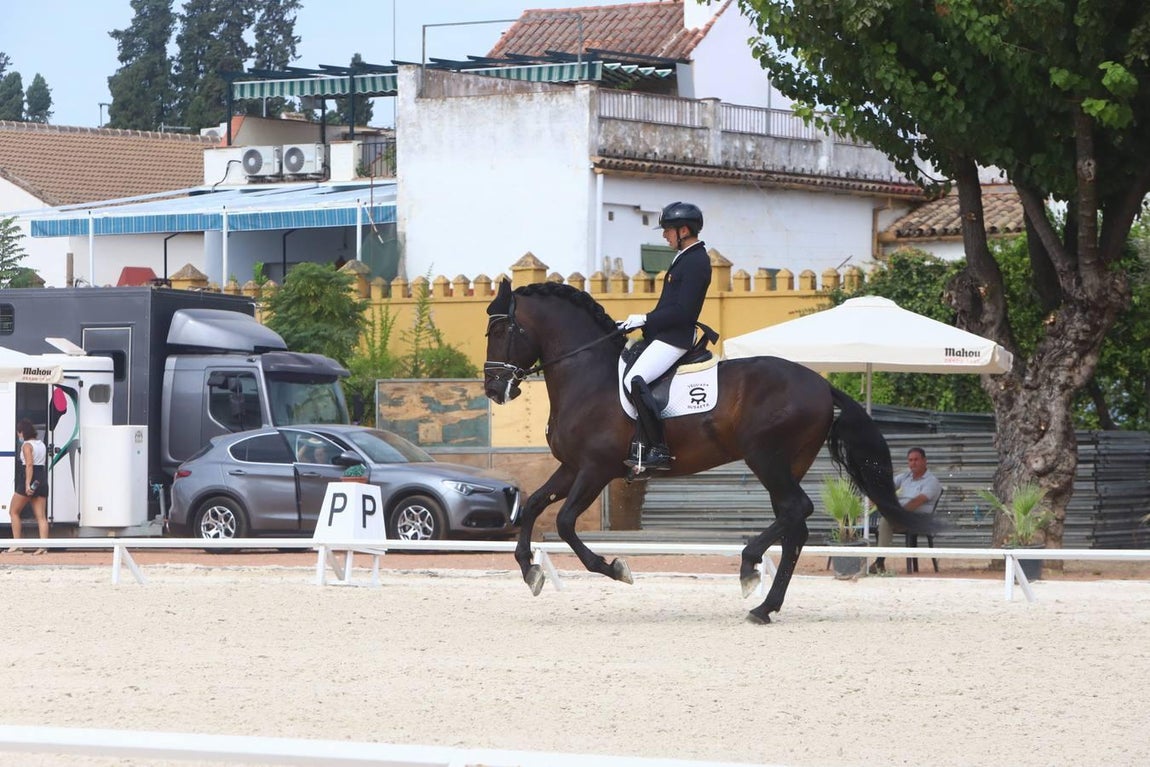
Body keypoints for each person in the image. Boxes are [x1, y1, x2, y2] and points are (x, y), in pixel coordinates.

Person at [616, 201, 712, 474]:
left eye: (668, 230)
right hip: (665, 334)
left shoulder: (696, 261)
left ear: (684, 230)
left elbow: (683, 311)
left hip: (676, 338)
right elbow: (667, 306)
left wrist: (646, 319)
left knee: (635, 380)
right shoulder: (684, 257)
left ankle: (657, 448)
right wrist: (635, 324)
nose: (665, 235)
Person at [870, 446, 942, 574]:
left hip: (918, 518)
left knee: (885, 521)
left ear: (924, 461)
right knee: (883, 519)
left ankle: (879, 562)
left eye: (916, 460)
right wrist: (876, 497)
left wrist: (896, 513)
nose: (913, 463)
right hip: (900, 516)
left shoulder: (932, 482)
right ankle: (876, 562)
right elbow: (887, 487)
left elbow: (917, 502)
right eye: (910, 460)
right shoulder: (904, 477)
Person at [6, 419, 49, 556]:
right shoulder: (41, 444)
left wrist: (27, 484)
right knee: (41, 516)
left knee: (14, 511)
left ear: (22, 432)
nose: (18, 435)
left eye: (18, 433)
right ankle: (43, 547)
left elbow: (29, 465)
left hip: (29, 477)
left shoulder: (26, 445)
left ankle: (17, 545)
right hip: (41, 478)